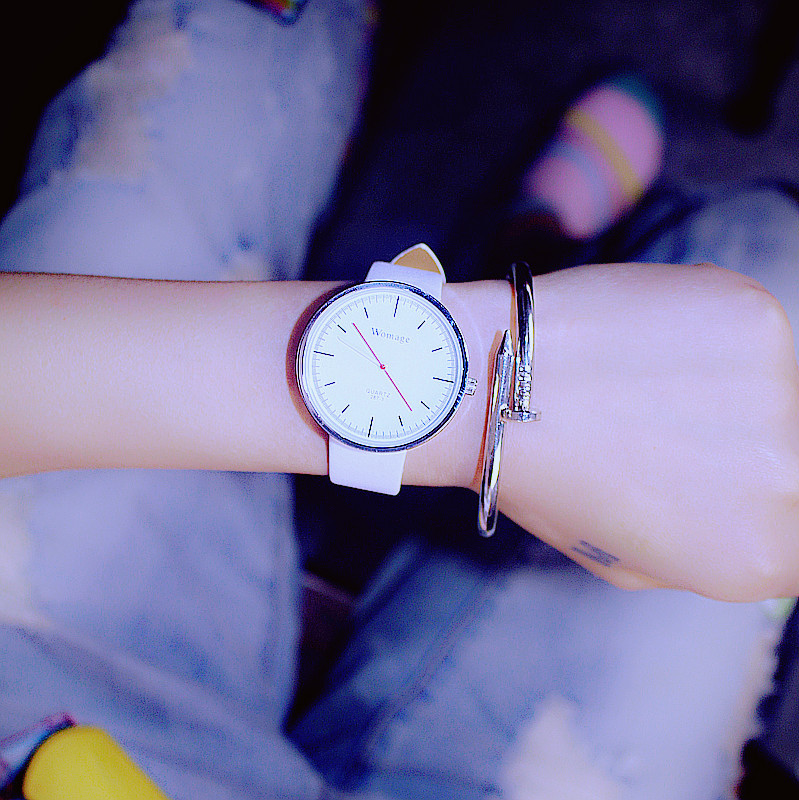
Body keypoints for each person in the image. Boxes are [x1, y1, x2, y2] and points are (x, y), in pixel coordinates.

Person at [0, 0, 797, 798]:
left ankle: (523, 246)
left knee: (216, 47)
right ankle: (533, 244)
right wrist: (475, 404)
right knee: (771, 259)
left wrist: (483, 375)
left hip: (49, 690)